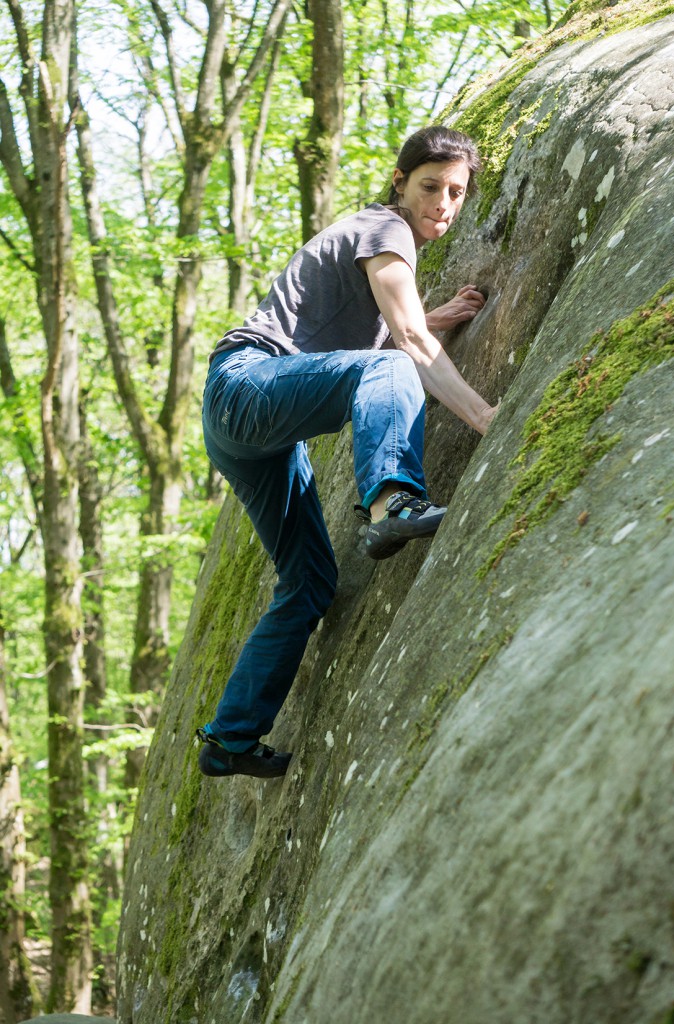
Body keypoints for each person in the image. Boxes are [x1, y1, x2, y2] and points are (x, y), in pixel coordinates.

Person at [197, 125, 497, 780]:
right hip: (247, 386)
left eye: (456, 192)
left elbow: (396, 331)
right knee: (385, 374)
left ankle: (230, 738)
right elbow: (406, 345)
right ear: (400, 182)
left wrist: (437, 318)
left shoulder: (379, 241)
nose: (443, 204)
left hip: (246, 427)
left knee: (308, 583)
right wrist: (486, 417)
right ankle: (394, 502)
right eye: (430, 186)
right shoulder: (385, 229)